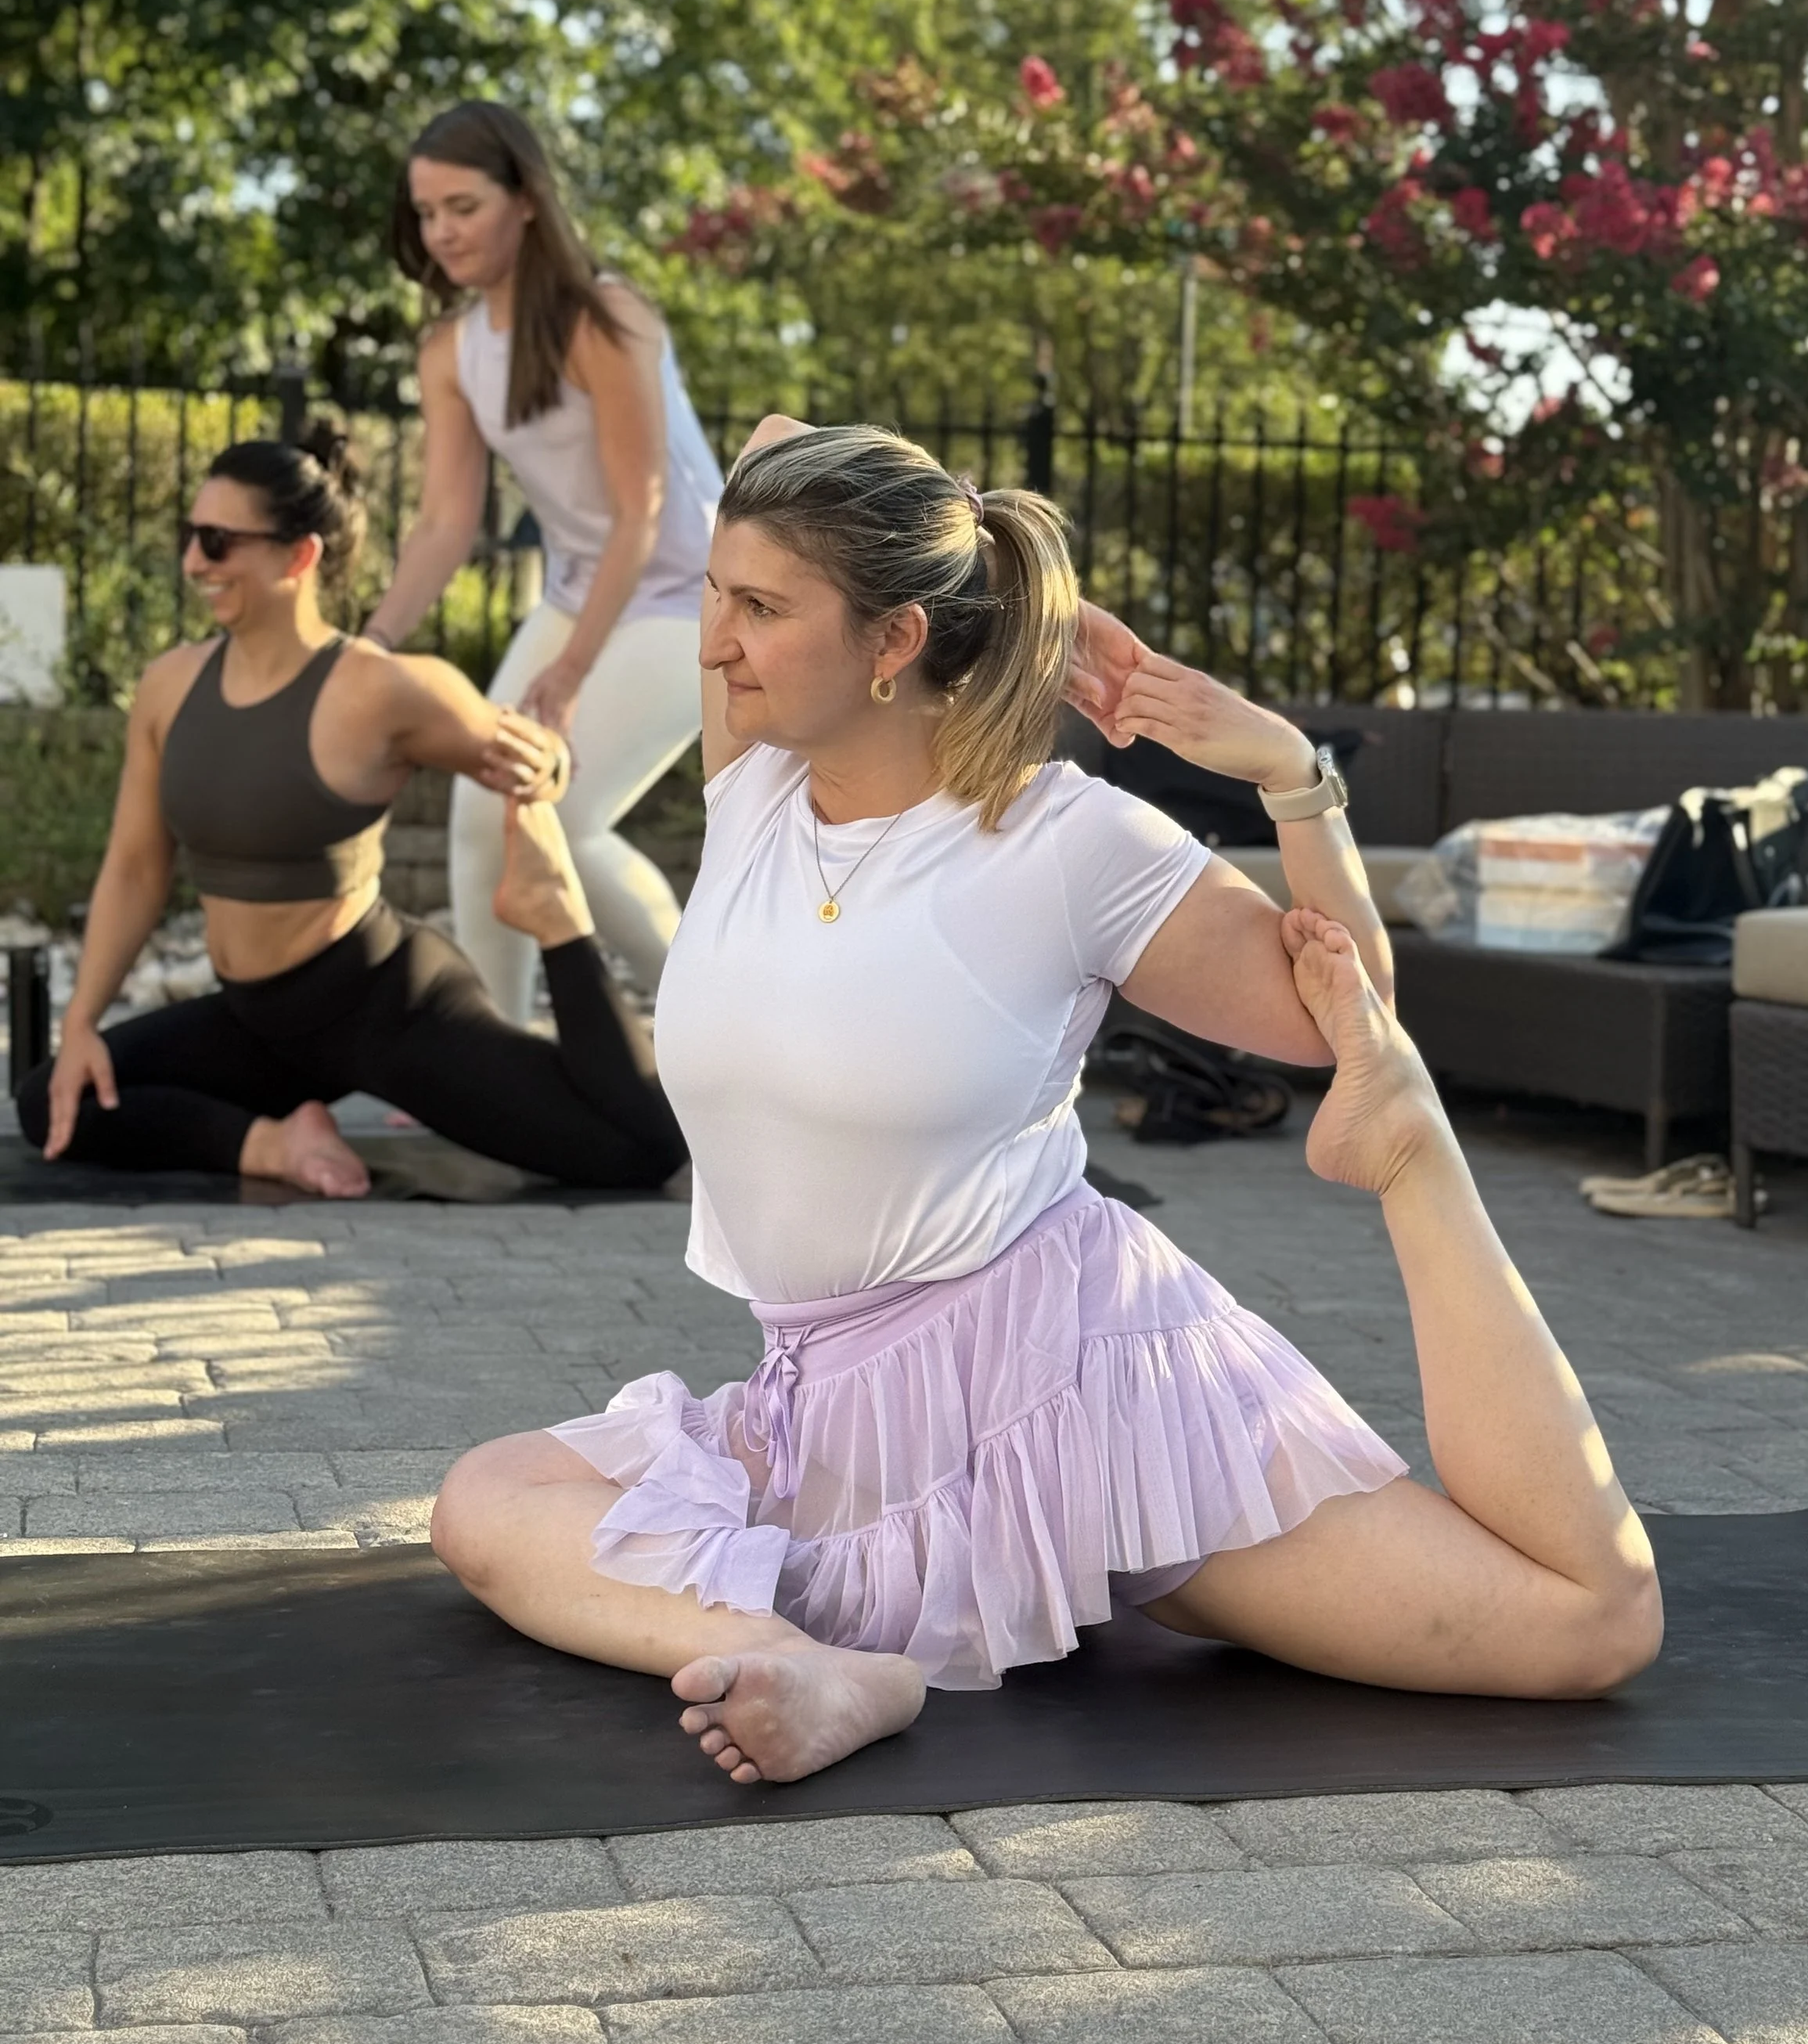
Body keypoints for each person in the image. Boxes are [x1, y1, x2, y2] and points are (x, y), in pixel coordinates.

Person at [430, 424, 1661, 1783]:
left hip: (1080, 1398)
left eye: (761, 607)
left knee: (1582, 1628)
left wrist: (1289, 772)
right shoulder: (753, 786)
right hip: (824, 1408)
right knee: (486, 1501)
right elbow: (778, 442)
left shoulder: (1065, 838)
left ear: (895, 640)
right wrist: (991, 558)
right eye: (718, 595)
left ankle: (1421, 1177)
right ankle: (823, 1660)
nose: (714, 643)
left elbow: (1352, 1016)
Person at [18, 428, 686, 1199]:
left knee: (633, 1153)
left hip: (384, 1008)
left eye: (216, 541)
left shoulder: (381, 690)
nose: (193, 563)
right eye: (189, 537)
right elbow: (136, 867)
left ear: (299, 556)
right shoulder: (168, 689)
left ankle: (559, 923)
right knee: (52, 1102)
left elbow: (532, 752)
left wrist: (551, 764)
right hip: (255, 1025)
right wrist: (79, 1027)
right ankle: (275, 1143)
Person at [366, 101, 722, 1023]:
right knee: (483, 816)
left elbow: (640, 510)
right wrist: (371, 644)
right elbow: (445, 522)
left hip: (692, 600)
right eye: (427, 213)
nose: (441, 232)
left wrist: (567, 674)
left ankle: (716, 1033)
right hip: (581, 589)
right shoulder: (450, 351)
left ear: (525, 199)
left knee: (560, 814)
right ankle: (503, 1058)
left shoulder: (609, 318)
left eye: (463, 207)